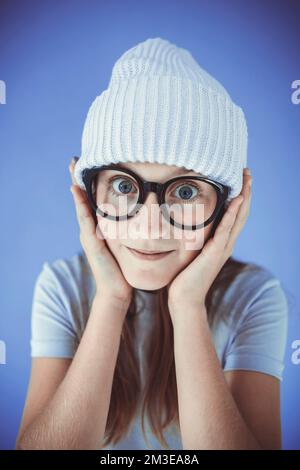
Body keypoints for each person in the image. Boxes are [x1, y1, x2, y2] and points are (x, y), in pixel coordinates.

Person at [16, 37, 288, 450]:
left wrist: (188, 305)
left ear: (231, 207)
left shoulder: (253, 297)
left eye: (184, 193)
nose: (149, 228)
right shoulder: (63, 287)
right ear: (86, 193)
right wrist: (109, 299)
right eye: (124, 185)